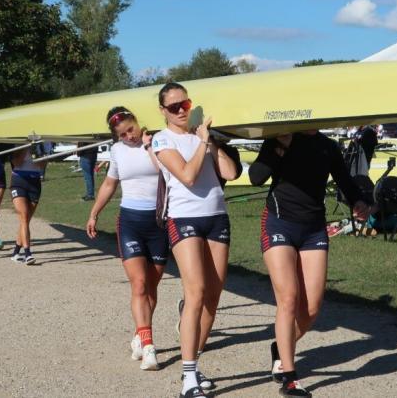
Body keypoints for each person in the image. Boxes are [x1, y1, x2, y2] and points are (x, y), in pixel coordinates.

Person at [249, 131, 371, 397]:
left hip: (314, 229)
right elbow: (256, 178)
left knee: (312, 308)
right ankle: (290, 377)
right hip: (278, 223)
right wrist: (280, 147)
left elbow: (344, 180)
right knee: (289, 299)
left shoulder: (328, 146)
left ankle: (280, 348)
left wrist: (360, 201)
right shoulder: (280, 138)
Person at [151, 82, 238, 398]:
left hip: (217, 216)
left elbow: (230, 174)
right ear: (163, 111)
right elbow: (187, 175)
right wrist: (202, 142)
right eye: (173, 107)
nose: (180, 111)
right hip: (184, 218)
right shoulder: (162, 139)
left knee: (213, 297)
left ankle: (195, 363)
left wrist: (211, 142)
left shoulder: (202, 137)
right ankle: (188, 378)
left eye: (184, 104)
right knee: (197, 291)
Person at [86, 107, 168, 371]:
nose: (129, 136)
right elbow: (110, 183)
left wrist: (149, 147)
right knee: (140, 283)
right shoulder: (117, 151)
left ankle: (139, 334)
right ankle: (149, 346)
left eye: (130, 129)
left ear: (137, 122)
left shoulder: (156, 141)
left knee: (152, 287)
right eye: (122, 135)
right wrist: (94, 213)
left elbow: (168, 172)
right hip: (130, 222)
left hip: (159, 222)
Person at [9, 143, 49, 265]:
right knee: (24, 216)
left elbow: (42, 165)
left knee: (25, 220)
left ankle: (16, 252)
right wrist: (26, 147)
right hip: (19, 180)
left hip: (34, 182)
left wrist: (37, 153)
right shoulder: (19, 141)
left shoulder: (44, 143)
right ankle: (28, 253)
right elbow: (16, 163)